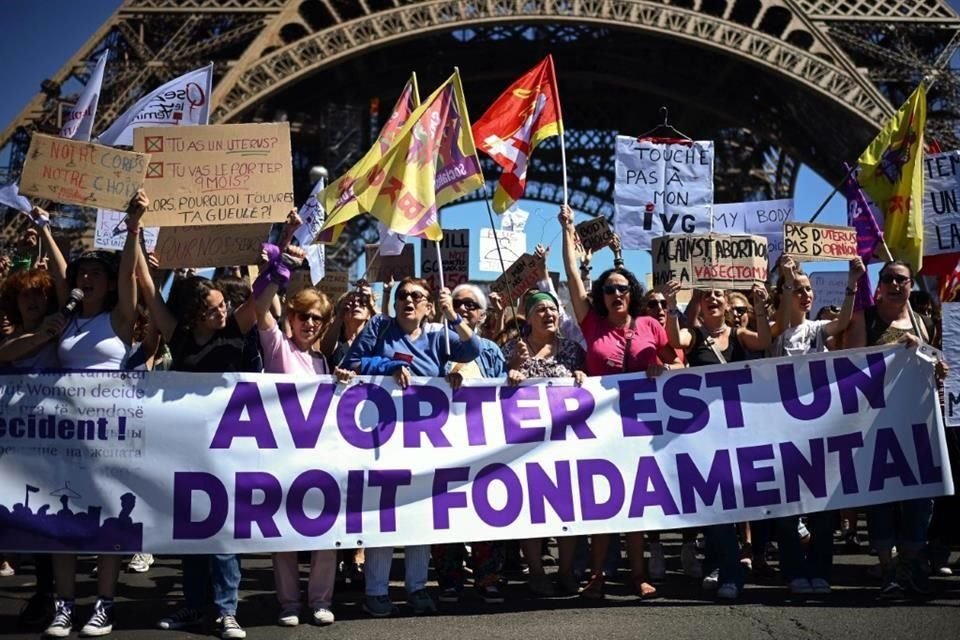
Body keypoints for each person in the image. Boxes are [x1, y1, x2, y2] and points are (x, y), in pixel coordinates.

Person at [33, 192, 147, 638]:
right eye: (83, 272)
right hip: (64, 433)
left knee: (105, 521)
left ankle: (103, 604)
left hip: (108, 434)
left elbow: (128, 273)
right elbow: (62, 276)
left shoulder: (117, 320)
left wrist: (133, 228)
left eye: (96, 272)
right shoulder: (68, 318)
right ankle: (64, 606)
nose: (86, 277)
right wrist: (44, 226)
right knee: (63, 521)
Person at [341, 277, 480, 618]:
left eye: (417, 296)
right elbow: (354, 361)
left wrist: (454, 316)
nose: (408, 301)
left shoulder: (438, 334)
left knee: (419, 513)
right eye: (402, 295)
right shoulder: (379, 327)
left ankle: (416, 587)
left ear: (429, 306)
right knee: (384, 512)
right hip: (381, 436)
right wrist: (391, 366)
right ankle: (376, 590)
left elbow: (472, 349)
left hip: (423, 439)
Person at [139, 248, 260, 639]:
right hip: (189, 451)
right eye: (213, 309)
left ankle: (227, 610)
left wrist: (285, 250)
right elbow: (150, 294)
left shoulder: (235, 331)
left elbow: (263, 293)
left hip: (229, 449)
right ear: (195, 315)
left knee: (223, 535)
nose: (222, 312)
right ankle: (194, 606)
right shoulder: (182, 338)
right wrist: (140, 246)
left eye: (224, 305)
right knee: (192, 535)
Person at [558, 204, 677, 600]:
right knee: (601, 505)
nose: (616, 294)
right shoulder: (591, 323)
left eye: (622, 288)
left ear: (632, 293)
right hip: (601, 427)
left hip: (642, 424)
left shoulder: (649, 324)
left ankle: (638, 575)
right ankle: (596, 577)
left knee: (636, 508)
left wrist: (664, 365)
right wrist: (568, 230)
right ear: (601, 297)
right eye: (608, 289)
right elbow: (574, 277)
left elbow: (677, 357)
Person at [663, 279, 771, 600]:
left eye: (719, 295)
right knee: (715, 504)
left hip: (740, 433)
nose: (713, 298)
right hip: (705, 437)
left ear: (726, 305)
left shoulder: (738, 336)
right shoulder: (695, 336)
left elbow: (764, 338)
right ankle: (730, 573)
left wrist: (762, 307)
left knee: (734, 506)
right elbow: (674, 337)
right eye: (707, 294)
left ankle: (721, 566)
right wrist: (671, 305)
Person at [768, 256, 864, 595]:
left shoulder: (818, 330)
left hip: (818, 428)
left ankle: (820, 569)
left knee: (823, 506)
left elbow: (842, 324)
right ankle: (793, 570)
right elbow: (776, 329)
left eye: (809, 290)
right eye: (799, 289)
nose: (807, 295)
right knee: (787, 508)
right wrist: (788, 278)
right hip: (783, 430)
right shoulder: (776, 331)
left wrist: (852, 282)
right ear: (785, 294)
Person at [253, 246, 337, 627]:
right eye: (304, 316)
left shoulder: (324, 362)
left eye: (318, 319)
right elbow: (259, 306)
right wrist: (280, 266)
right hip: (281, 457)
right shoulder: (278, 347)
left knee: (324, 533)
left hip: (318, 459)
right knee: (283, 533)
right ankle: (288, 602)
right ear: (291, 317)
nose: (311, 324)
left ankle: (320, 600)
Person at [846, 260, 939, 597]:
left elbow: (937, 363)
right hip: (875, 423)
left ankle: (911, 565)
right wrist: (894, 350)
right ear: (880, 284)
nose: (896, 285)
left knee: (918, 496)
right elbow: (850, 364)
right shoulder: (865, 320)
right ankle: (888, 569)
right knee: (881, 497)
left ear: (911, 284)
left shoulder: (923, 322)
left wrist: (930, 357)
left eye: (902, 279)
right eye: (889, 279)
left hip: (917, 422)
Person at [503, 288, 586, 596]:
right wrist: (511, 368)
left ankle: (565, 572)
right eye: (541, 310)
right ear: (529, 316)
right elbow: (491, 388)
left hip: (565, 443)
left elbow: (590, 381)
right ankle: (537, 572)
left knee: (567, 508)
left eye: (553, 309)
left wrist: (581, 374)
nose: (549, 314)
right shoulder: (514, 347)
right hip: (526, 445)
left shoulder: (573, 350)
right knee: (532, 509)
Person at [434, 283, 508, 605]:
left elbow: (504, 390)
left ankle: (487, 575)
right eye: (457, 303)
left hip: (483, 441)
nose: (463, 308)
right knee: (444, 510)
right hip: (441, 442)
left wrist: (513, 378)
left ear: (482, 314)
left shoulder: (490, 350)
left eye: (470, 305)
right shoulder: (435, 343)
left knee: (486, 506)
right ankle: (450, 578)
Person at [640, 288, 703, 582]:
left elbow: (683, 363)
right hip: (646, 424)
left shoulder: (678, 335)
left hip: (681, 424)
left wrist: (667, 367)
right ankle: (655, 546)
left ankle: (688, 545)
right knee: (651, 484)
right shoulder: (638, 336)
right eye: (653, 304)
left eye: (664, 304)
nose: (659, 308)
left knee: (685, 482)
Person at [0, 268, 61, 369]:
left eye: (37, 293)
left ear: (48, 298)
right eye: (25, 295)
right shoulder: (9, 340)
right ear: (15, 302)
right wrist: (40, 336)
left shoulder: (59, 328)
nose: (32, 300)